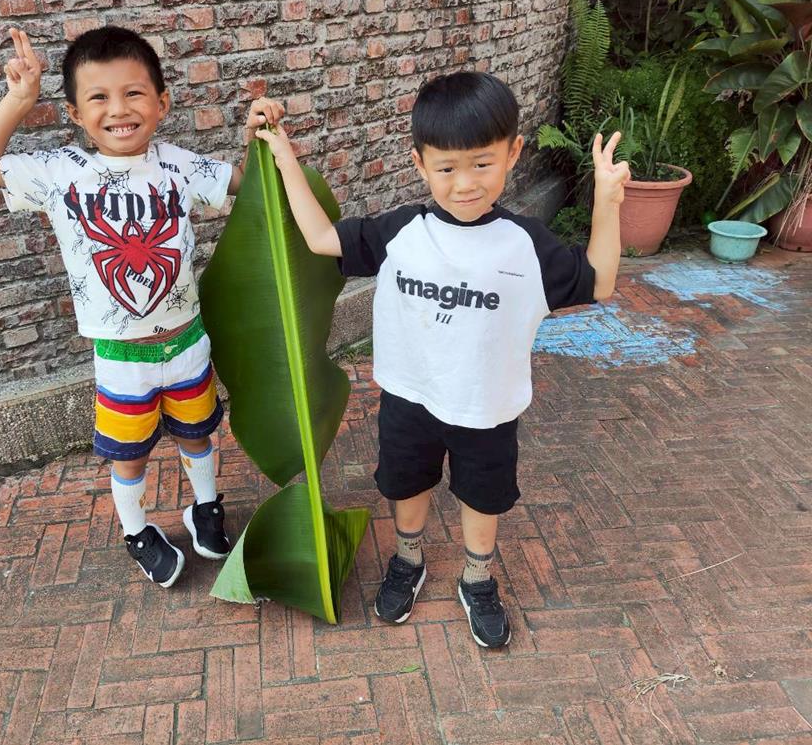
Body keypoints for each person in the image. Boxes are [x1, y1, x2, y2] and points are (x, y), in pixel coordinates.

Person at [254, 71, 629, 646]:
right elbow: (322, 238)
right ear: (420, 164)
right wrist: (284, 157)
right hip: (410, 397)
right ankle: (408, 560)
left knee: (483, 495)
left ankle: (478, 578)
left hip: (487, 408)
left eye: (482, 164)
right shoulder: (402, 231)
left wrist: (607, 201)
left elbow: (599, 281)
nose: (465, 184)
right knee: (406, 484)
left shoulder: (527, 244)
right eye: (447, 168)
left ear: (513, 154)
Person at [0, 26, 284, 588]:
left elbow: (252, 186)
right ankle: (136, 531)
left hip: (187, 342)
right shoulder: (60, 173)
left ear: (162, 102)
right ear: (75, 113)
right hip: (121, 357)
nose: (118, 109)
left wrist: (260, 133)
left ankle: (205, 508)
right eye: (99, 97)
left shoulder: (179, 165)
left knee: (198, 434)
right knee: (129, 455)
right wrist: (19, 98)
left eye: (134, 93)